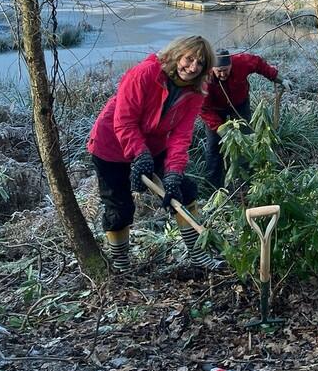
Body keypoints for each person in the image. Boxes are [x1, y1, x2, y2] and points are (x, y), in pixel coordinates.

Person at [88, 35, 224, 273]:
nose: (193, 67)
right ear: (177, 55)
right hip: (110, 144)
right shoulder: (145, 73)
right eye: (189, 59)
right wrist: (140, 155)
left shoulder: (196, 92)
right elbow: (125, 121)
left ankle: (197, 255)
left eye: (200, 63)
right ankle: (121, 263)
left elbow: (181, 137)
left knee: (184, 190)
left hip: (153, 145)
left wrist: (173, 174)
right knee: (119, 207)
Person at [200, 48, 291, 190]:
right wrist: (223, 131)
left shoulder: (241, 61)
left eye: (226, 70)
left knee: (246, 141)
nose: (222, 74)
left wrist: (279, 78)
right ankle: (212, 187)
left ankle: (249, 182)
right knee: (214, 147)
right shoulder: (204, 78)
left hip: (239, 104)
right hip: (214, 111)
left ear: (231, 65)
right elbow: (203, 109)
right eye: (219, 71)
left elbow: (259, 64)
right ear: (213, 68)